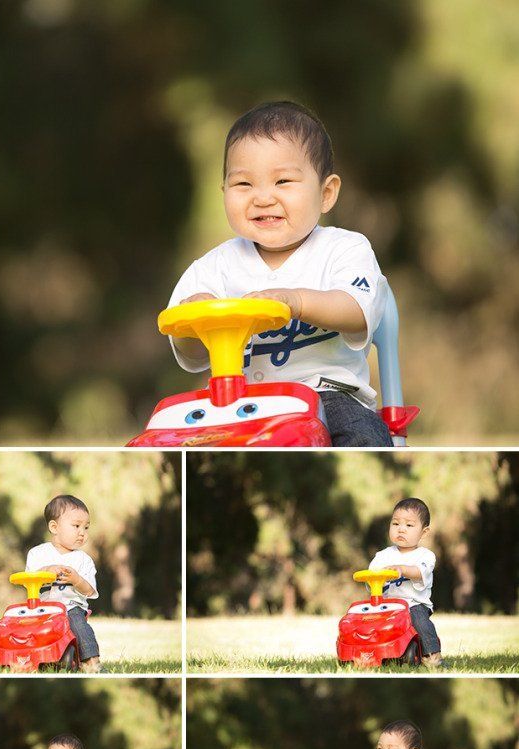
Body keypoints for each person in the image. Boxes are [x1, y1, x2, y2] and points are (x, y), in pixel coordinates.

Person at [167, 99, 393, 447]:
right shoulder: (214, 267)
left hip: (327, 396)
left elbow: (356, 312)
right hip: (239, 405)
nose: (262, 198)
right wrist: (197, 315)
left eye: (283, 181)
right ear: (224, 191)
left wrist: (298, 301)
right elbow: (189, 350)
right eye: (243, 184)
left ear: (326, 193)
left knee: (363, 438)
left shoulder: (344, 249)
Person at [26, 494, 101, 673]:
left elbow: (90, 591)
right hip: (40, 608)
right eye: (76, 526)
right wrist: (46, 571)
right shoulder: (37, 554)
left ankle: (92, 662)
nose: (82, 532)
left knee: (79, 626)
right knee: (22, 626)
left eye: (86, 527)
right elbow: (28, 580)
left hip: (70, 607)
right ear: (54, 527)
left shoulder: (84, 560)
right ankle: (25, 660)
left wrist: (76, 580)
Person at [368, 497, 444, 669]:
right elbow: (371, 575)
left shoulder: (425, 556)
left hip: (413, 604)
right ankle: (369, 652)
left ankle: (432, 655)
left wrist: (401, 570)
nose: (401, 529)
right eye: (396, 524)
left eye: (409, 525)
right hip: (386, 605)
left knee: (418, 619)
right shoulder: (383, 555)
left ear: (424, 532)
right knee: (367, 619)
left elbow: (419, 573)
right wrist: (373, 577)